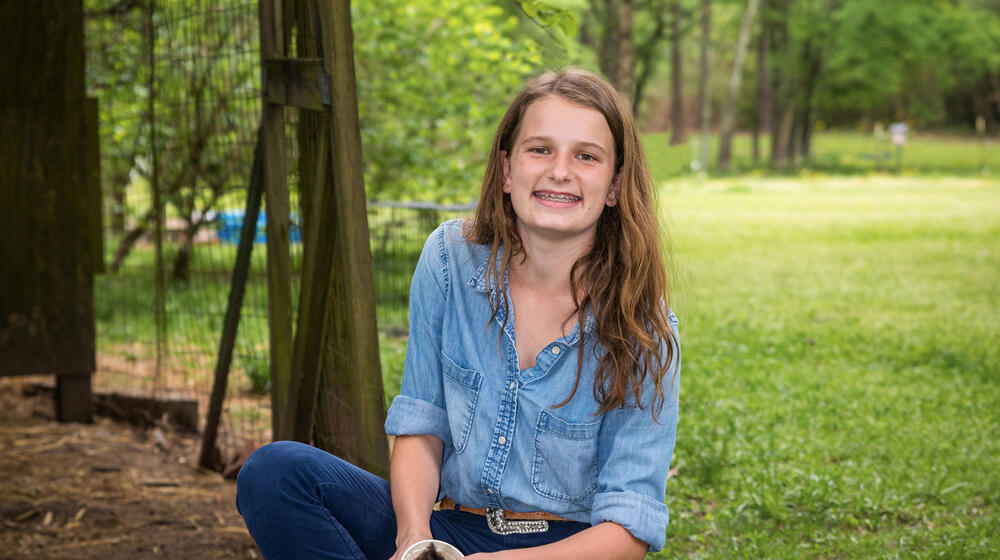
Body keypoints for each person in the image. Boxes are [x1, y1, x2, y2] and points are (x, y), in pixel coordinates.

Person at [236, 67, 681, 560]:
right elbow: (422, 425)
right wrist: (416, 542)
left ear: (615, 185)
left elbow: (628, 529)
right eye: (540, 149)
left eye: (586, 156)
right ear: (508, 170)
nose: (560, 170)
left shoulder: (645, 328)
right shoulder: (450, 258)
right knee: (277, 473)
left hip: (564, 549)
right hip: (448, 528)